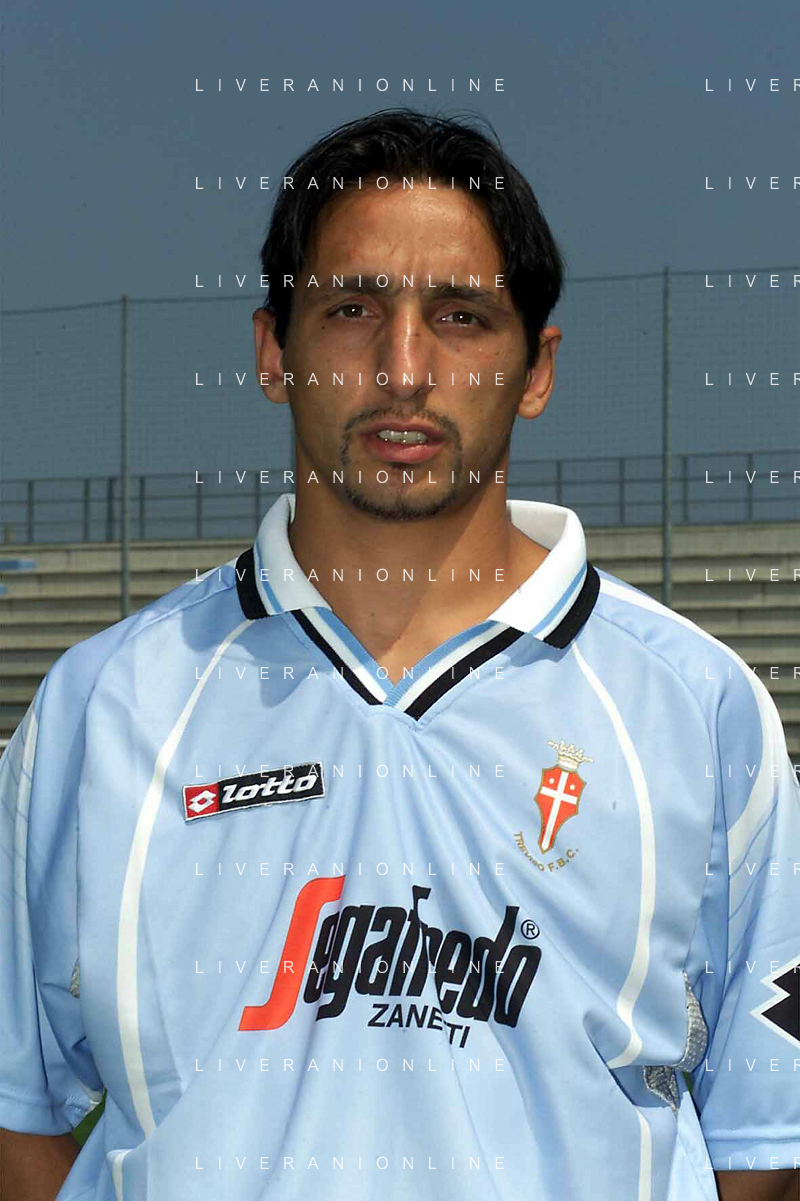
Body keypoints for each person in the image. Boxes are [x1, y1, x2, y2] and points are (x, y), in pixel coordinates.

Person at [1, 109, 797, 1201]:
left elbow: (765, 1140)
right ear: (273, 352)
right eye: (351, 309)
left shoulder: (698, 712)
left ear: (535, 369)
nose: (403, 368)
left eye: (460, 316)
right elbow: (16, 1109)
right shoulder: (104, 708)